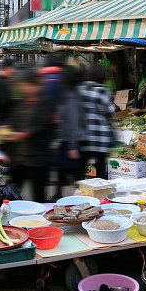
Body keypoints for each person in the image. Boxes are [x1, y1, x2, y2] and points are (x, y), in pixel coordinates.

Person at [8, 68, 54, 202]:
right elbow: (13, 121)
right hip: (19, 157)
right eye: (22, 85)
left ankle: (40, 220)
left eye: (27, 85)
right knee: (13, 192)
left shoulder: (45, 103)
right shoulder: (20, 103)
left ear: (36, 85)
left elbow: (43, 126)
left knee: (38, 194)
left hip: (38, 158)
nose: (24, 88)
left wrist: (23, 134)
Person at [53, 65, 86, 200]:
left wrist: (72, 146)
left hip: (70, 140)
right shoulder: (71, 93)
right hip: (70, 139)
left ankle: (80, 198)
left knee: (70, 172)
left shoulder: (69, 95)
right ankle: (62, 195)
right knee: (69, 171)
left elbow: (72, 121)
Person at [79, 63, 116, 180]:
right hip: (100, 138)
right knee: (100, 168)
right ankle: (100, 193)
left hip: (84, 136)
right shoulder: (102, 91)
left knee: (82, 168)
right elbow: (111, 112)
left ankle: (81, 192)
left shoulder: (80, 89)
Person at [0, 58, 16, 125]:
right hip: (3, 123)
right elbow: (5, 102)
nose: (13, 71)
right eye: (12, 68)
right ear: (8, 68)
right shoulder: (1, 82)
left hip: (1, 121)